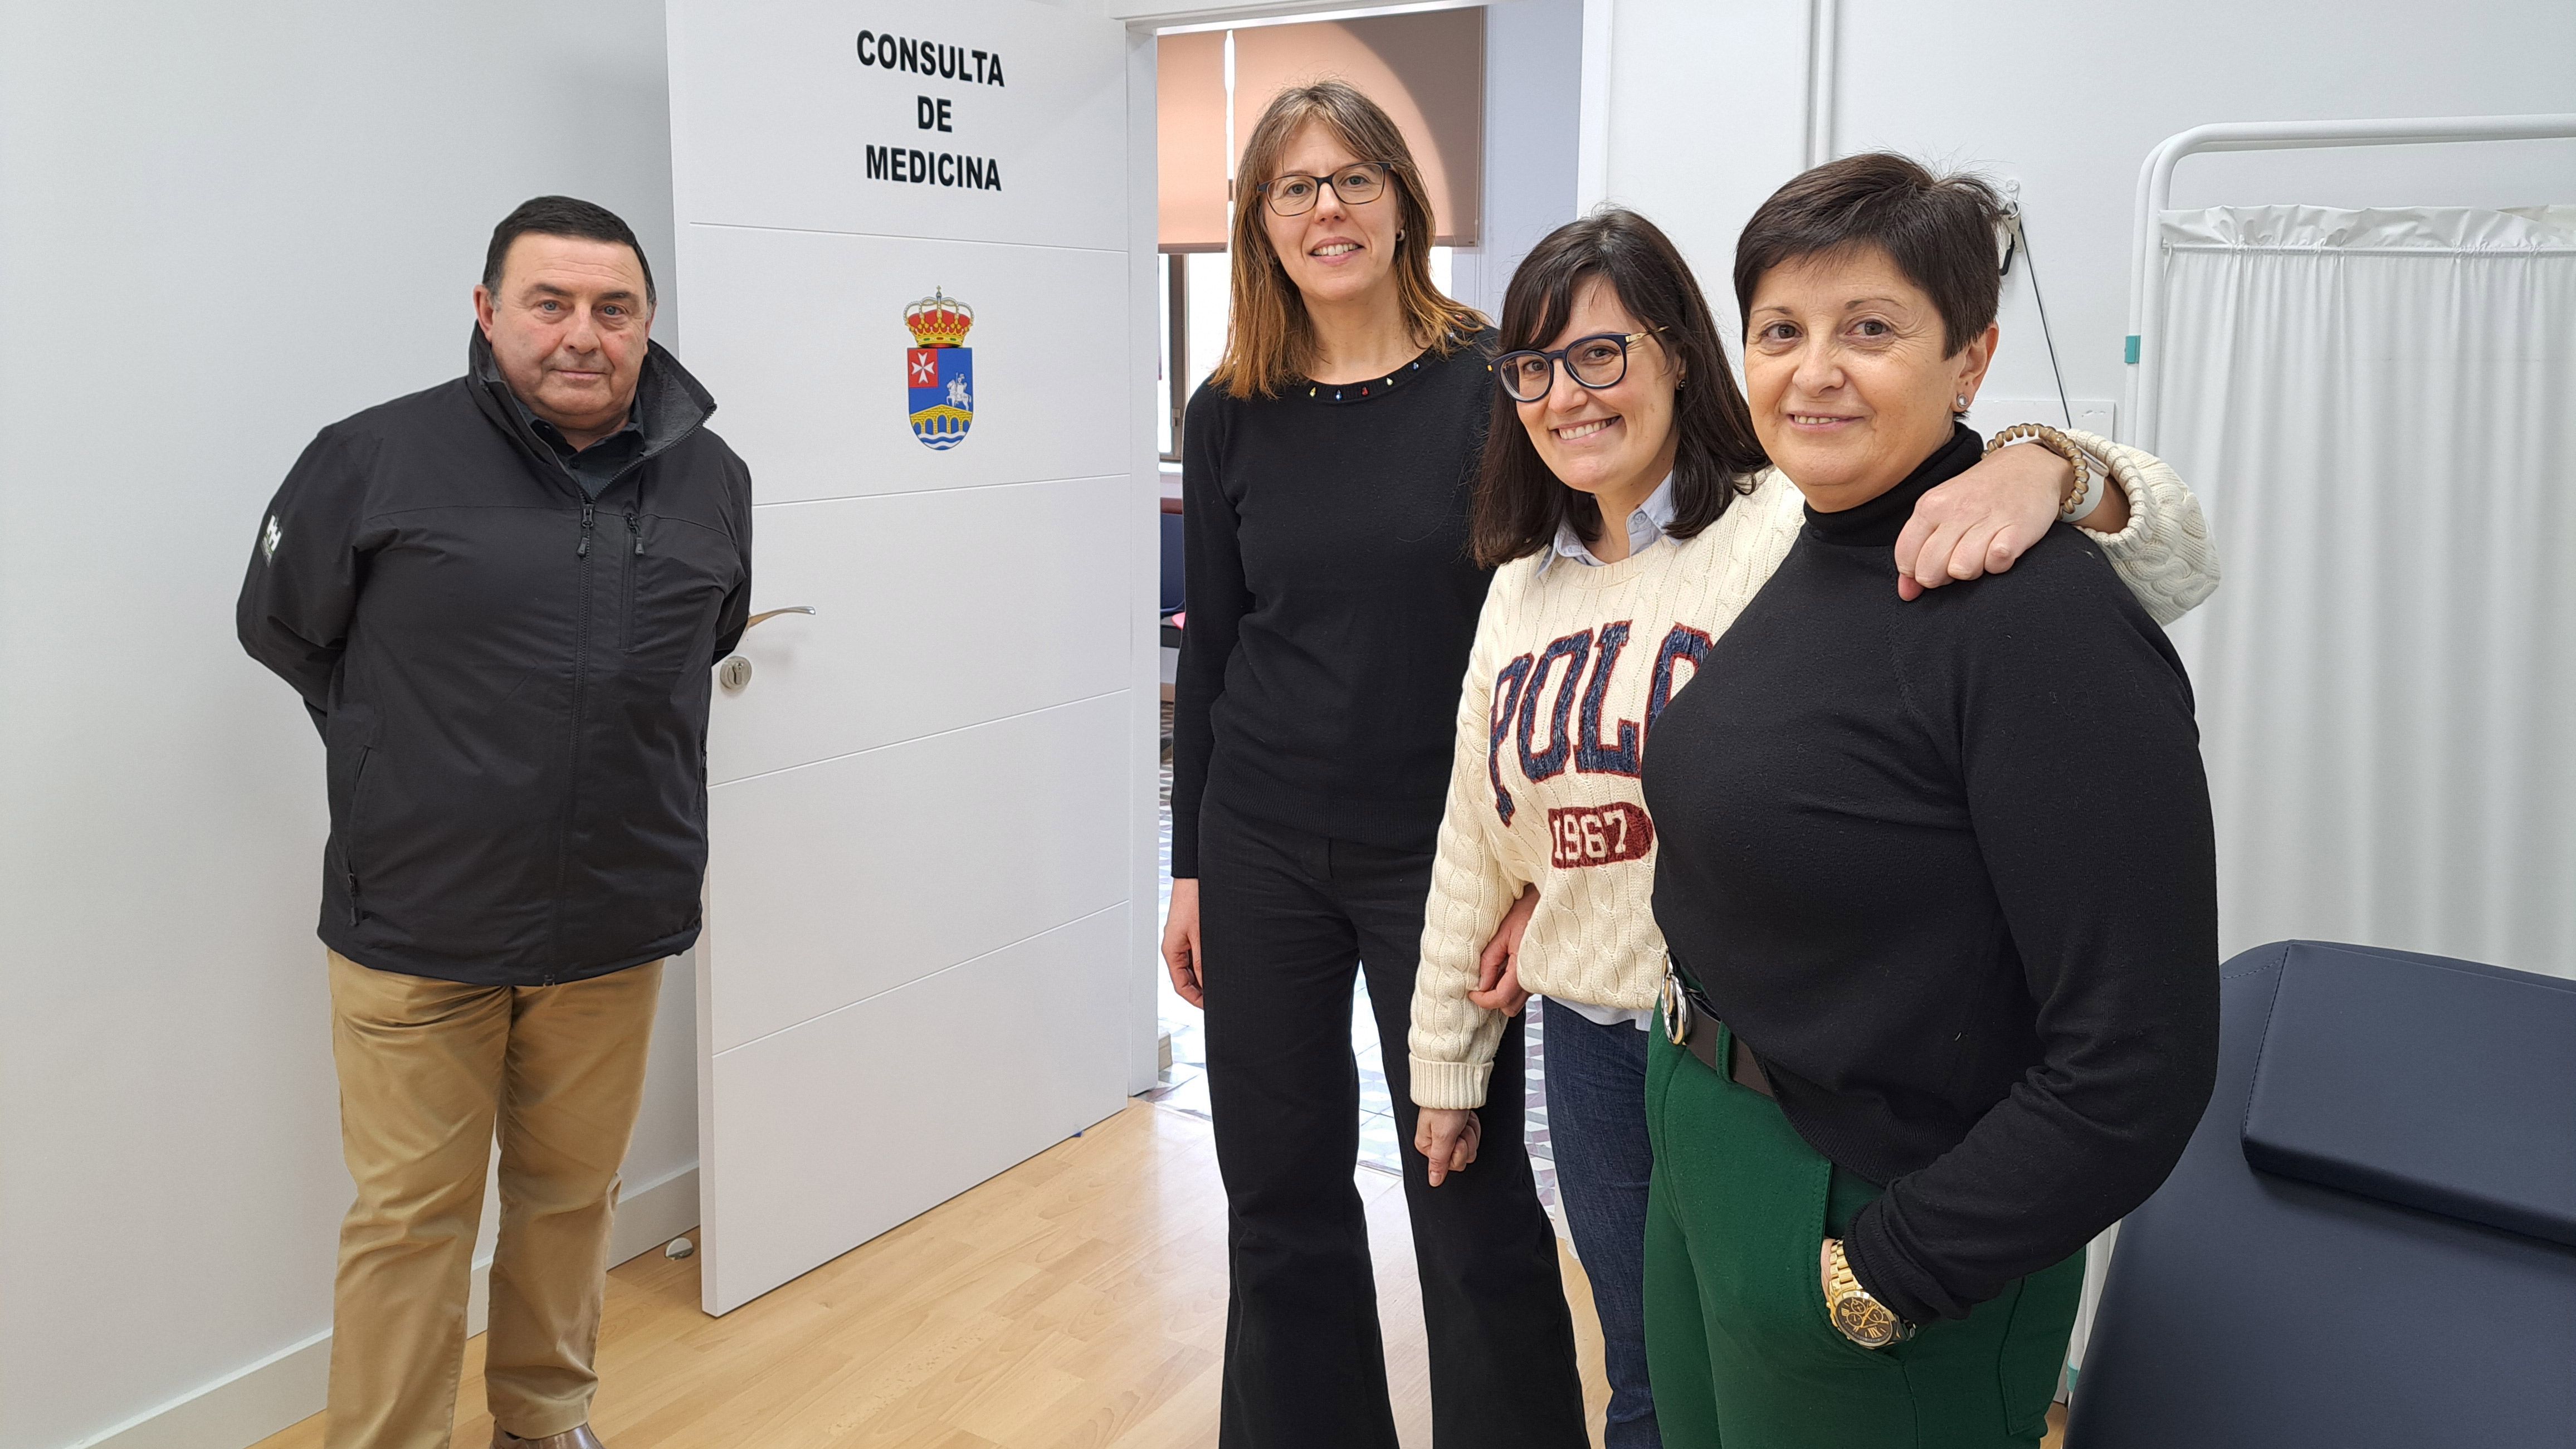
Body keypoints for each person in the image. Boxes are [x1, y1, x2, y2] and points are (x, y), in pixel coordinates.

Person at [1404, 209, 2217, 1447]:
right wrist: (1451, 1052)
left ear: (1678, 354)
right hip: (1642, 1056)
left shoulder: (1784, 516)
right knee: (1654, 1380)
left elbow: (2167, 547)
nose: (1566, 394)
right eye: (1535, 366)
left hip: (1836, 1123)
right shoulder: (1535, 581)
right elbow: (1480, 834)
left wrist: (2045, 460)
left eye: (1600, 354)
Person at [1637, 153, 2221, 1447]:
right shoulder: (1822, 538)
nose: (1813, 368)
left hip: (1867, 1209)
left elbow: (2138, 1060)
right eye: (1779, 331)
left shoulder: (2037, 621)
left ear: (1970, 361)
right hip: (1711, 1149)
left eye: (1870, 329)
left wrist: (1888, 1271)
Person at [236, 196, 752, 1449]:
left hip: (616, 915)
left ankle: (542, 1416)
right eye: (550, 302)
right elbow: (283, 628)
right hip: (418, 919)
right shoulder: (372, 456)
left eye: (613, 307)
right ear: (486, 311)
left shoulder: (712, 477)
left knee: (571, 1195)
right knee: (412, 1216)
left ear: (646, 322)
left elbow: (710, 640)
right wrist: (403, 757)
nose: (583, 333)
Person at [1159, 80, 1589, 1447]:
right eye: (1293, 187)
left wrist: (1534, 873)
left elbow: (1556, 632)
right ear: (1258, 223)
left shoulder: (1495, 382)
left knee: (1463, 1199)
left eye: (1352, 179)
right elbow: (1216, 649)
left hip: (1446, 856)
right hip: (1262, 844)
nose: (1325, 208)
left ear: (1404, 198)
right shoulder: (1230, 406)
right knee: (1276, 1194)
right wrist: (1189, 867)